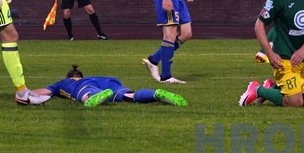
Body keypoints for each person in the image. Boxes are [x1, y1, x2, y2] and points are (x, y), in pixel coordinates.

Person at [31, 64, 187, 107]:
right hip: (109, 81)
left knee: (86, 93)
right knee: (129, 96)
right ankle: (155, 94)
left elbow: (43, 92)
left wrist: (26, 92)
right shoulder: (93, 77)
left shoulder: (65, 83)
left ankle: (93, 97)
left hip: (87, 86)